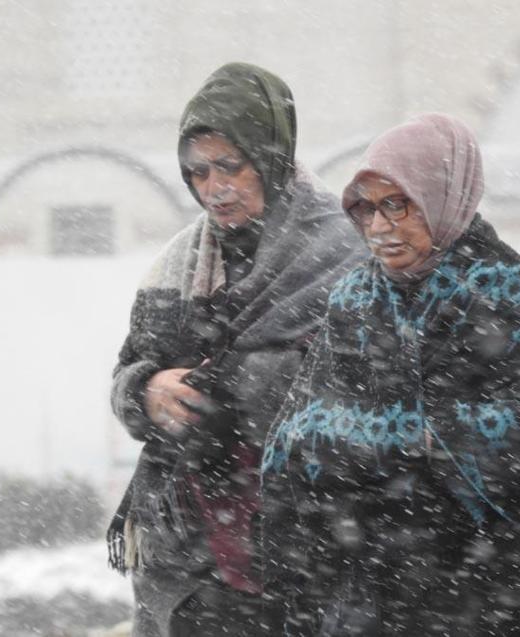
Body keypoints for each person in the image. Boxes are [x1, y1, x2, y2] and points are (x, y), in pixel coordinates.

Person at [261, 113, 520, 636]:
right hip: (370, 572)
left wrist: (404, 439)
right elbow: (298, 433)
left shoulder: (507, 290)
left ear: (442, 196)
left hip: (488, 574)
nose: (378, 227)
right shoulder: (355, 297)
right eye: (365, 208)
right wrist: (405, 441)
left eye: (397, 204)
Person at [107, 62, 366, 637]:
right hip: (188, 553)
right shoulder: (178, 264)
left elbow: (358, 390)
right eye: (197, 172)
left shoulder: (343, 253)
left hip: (307, 546)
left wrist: (238, 388)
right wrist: (147, 393)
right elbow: (129, 369)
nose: (213, 188)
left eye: (230, 166)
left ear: (270, 156)